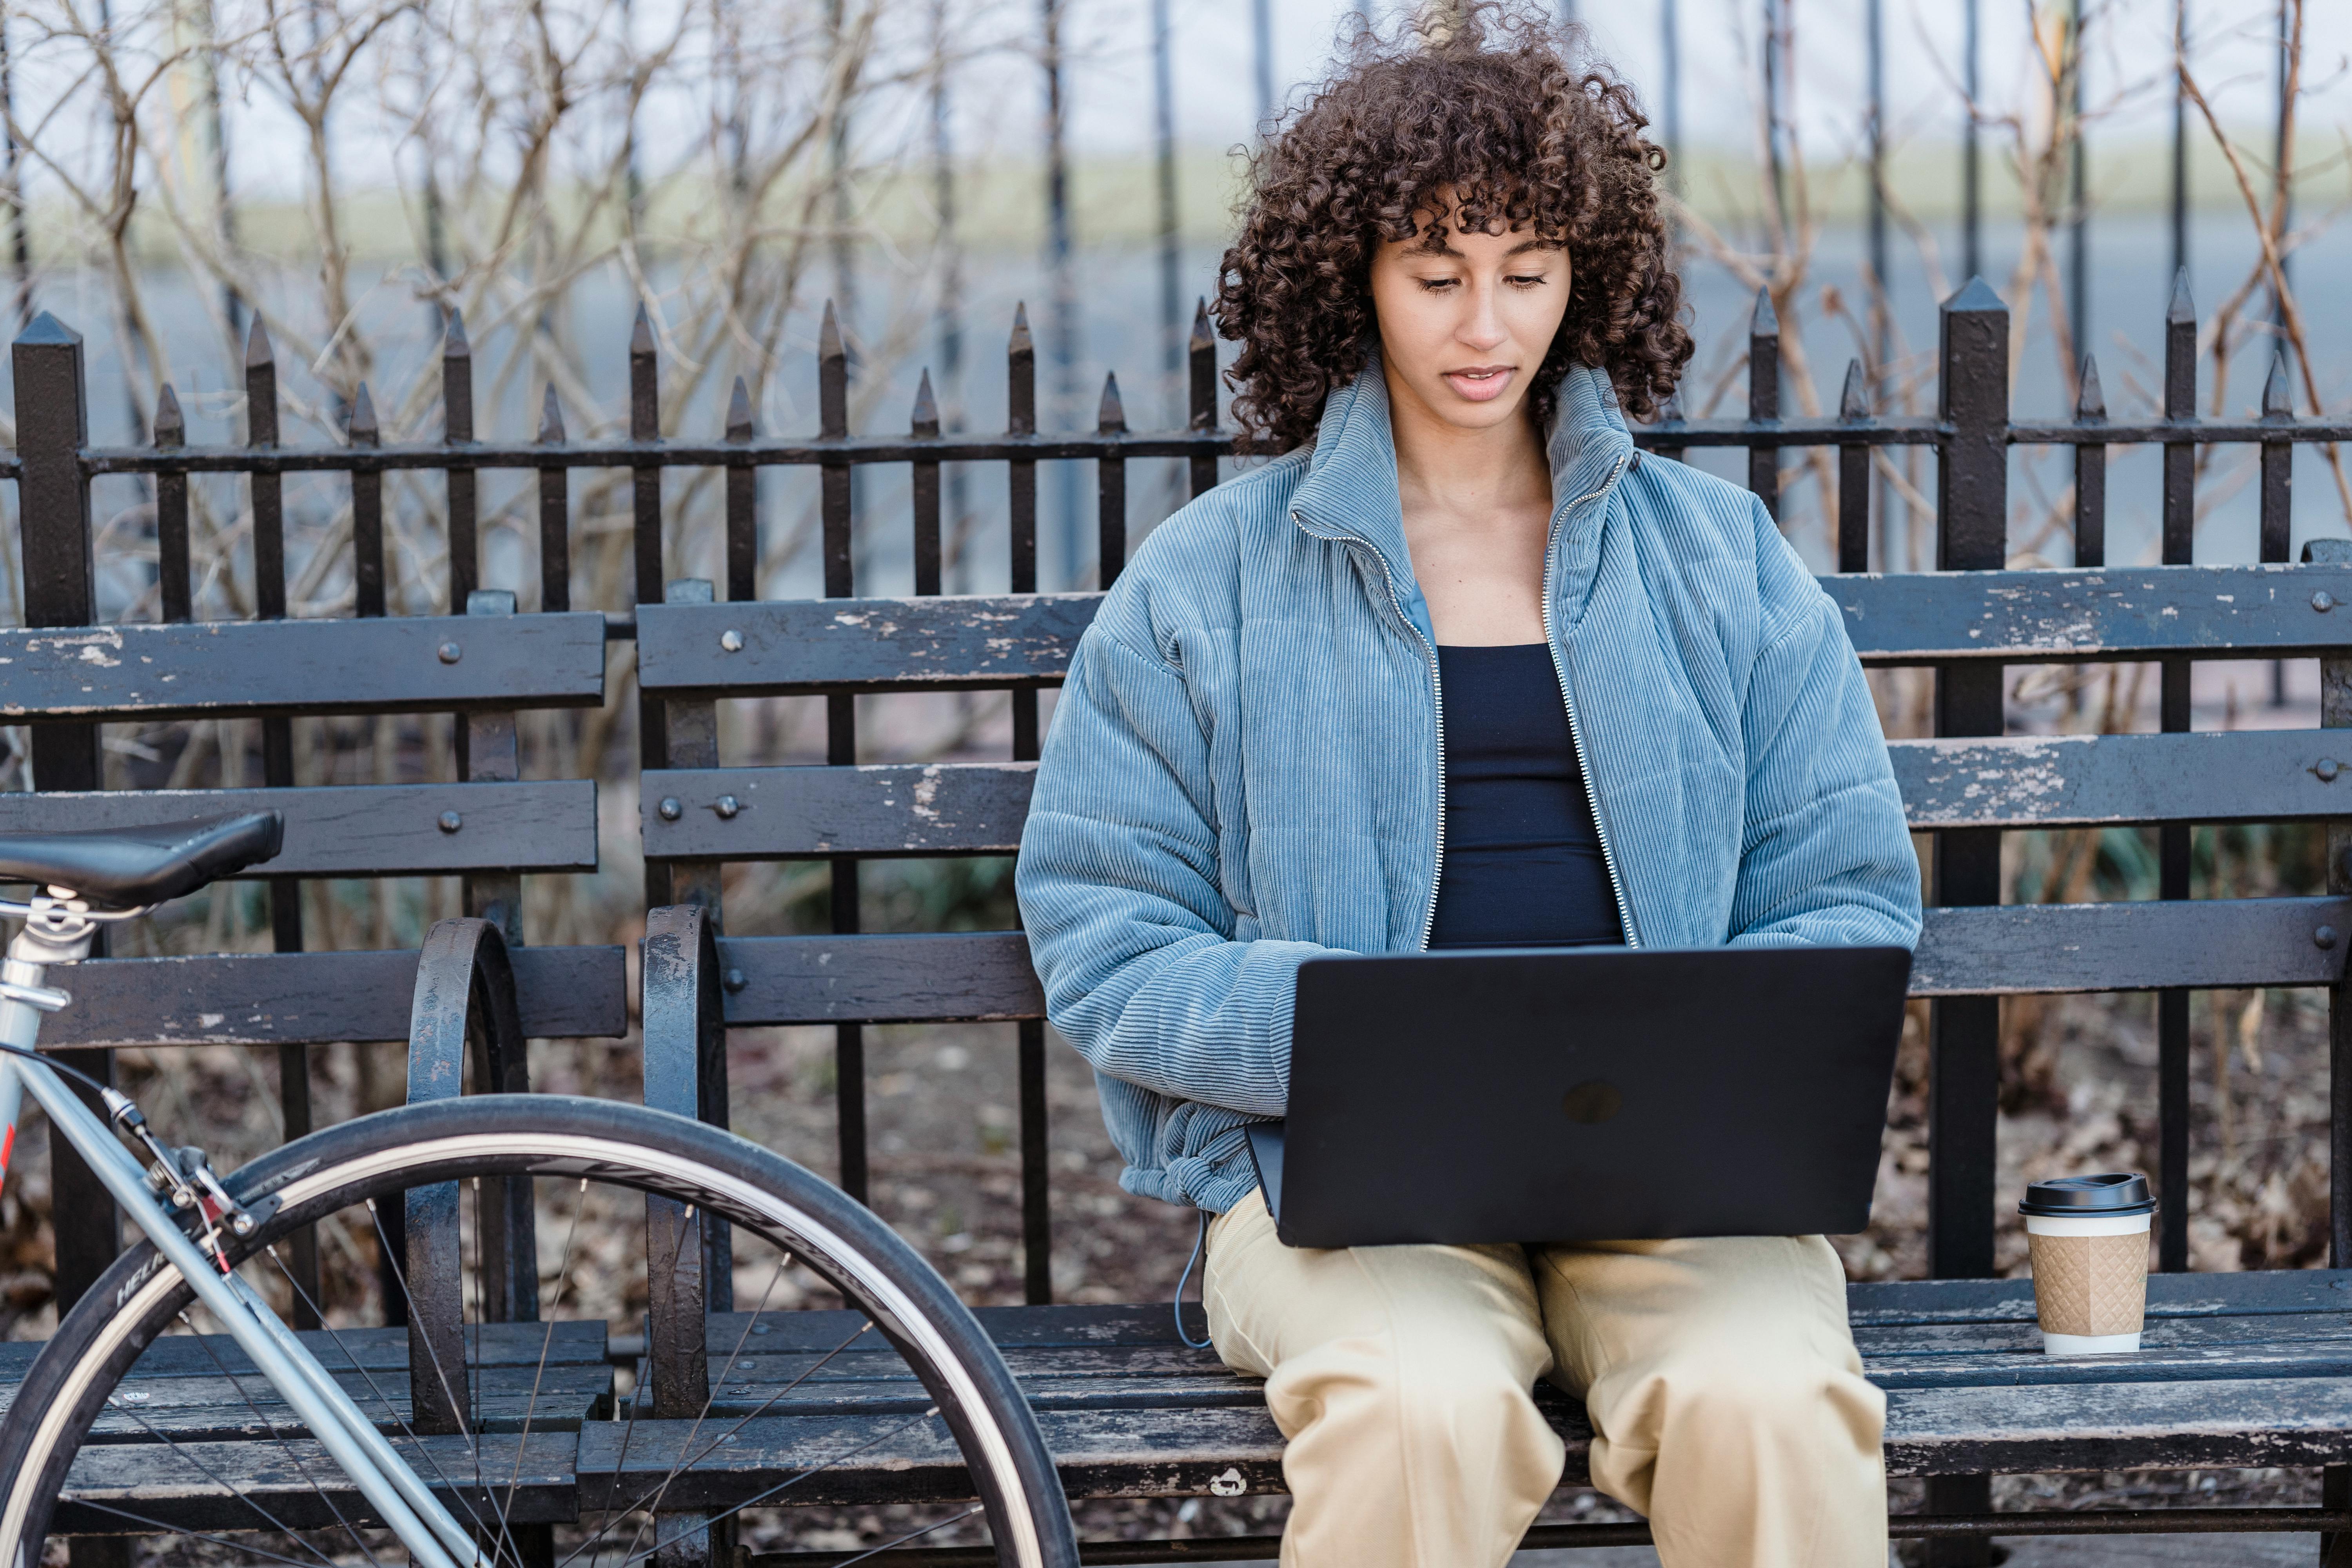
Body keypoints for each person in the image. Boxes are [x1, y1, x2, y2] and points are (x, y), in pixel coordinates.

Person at [1014, 6, 1923, 1565]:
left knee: (1768, 1397)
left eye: (1528, 271)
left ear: (1589, 279)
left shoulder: (1719, 564)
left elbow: (1845, 891)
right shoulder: (1208, 582)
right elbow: (1103, 929)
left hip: (1676, 1177)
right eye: (1436, 277)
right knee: (1420, 1402)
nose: (1486, 324)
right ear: (1351, 284)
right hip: (1335, 1193)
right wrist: (1343, 1029)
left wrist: (1703, 1047)